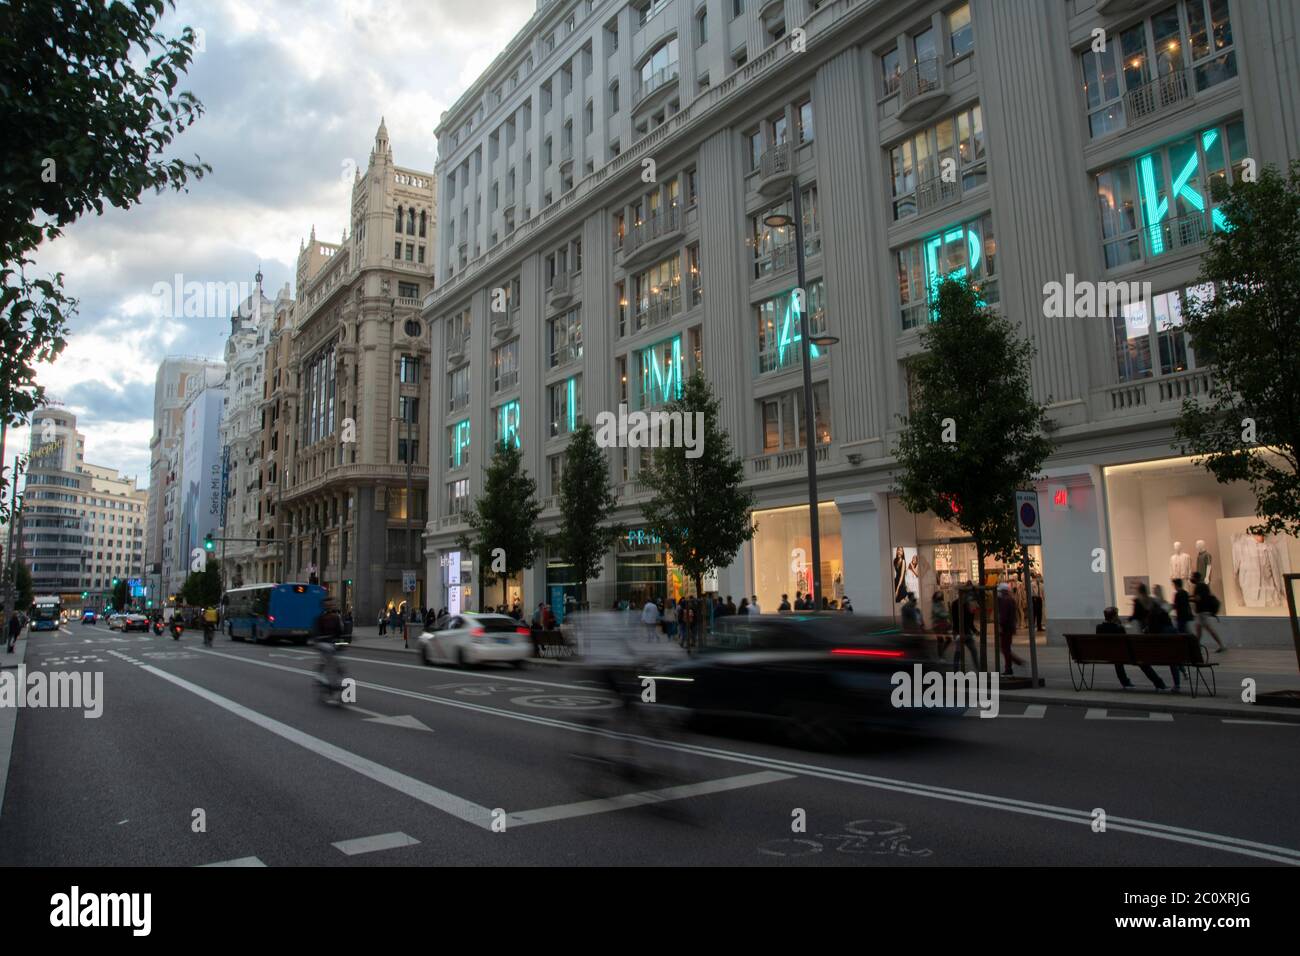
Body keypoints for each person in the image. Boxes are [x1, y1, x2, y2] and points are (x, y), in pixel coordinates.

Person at [1097, 606, 1166, 690]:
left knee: (1117, 660)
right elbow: (1127, 643)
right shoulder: (1119, 628)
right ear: (1115, 616)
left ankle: (1125, 682)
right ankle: (1159, 683)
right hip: (1124, 655)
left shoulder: (1099, 627)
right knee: (1142, 663)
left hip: (1109, 654)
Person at [314, 597, 347, 701]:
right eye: (328, 604)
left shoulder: (336, 618)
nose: (330, 606)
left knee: (339, 663)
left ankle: (337, 681)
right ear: (324, 606)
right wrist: (318, 640)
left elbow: (340, 633)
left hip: (332, 643)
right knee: (327, 657)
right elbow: (317, 633)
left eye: (332, 604)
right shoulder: (320, 618)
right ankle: (322, 679)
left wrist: (343, 641)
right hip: (324, 643)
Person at [1190, 572, 1225, 652]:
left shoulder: (1198, 587)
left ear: (1195, 578)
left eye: (1192, 577)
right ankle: (1196, 646)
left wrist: (1188, 599)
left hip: (1201, 612)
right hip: (1204, 611)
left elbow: (1198, 599)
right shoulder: (1204, 586)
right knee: (1199, 629)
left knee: (1208, 629)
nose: (1191, 578)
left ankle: (1221, 645)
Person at [996, 583, 1025, 676]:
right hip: (1009, 627)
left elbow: (1004, 616)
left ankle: (1011, 666)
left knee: (1005, 649)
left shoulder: (1005, 600)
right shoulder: (1010, 599)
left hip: (1006, 628)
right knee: (1005, 648)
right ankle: (1012, 665)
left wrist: (1000, 626)